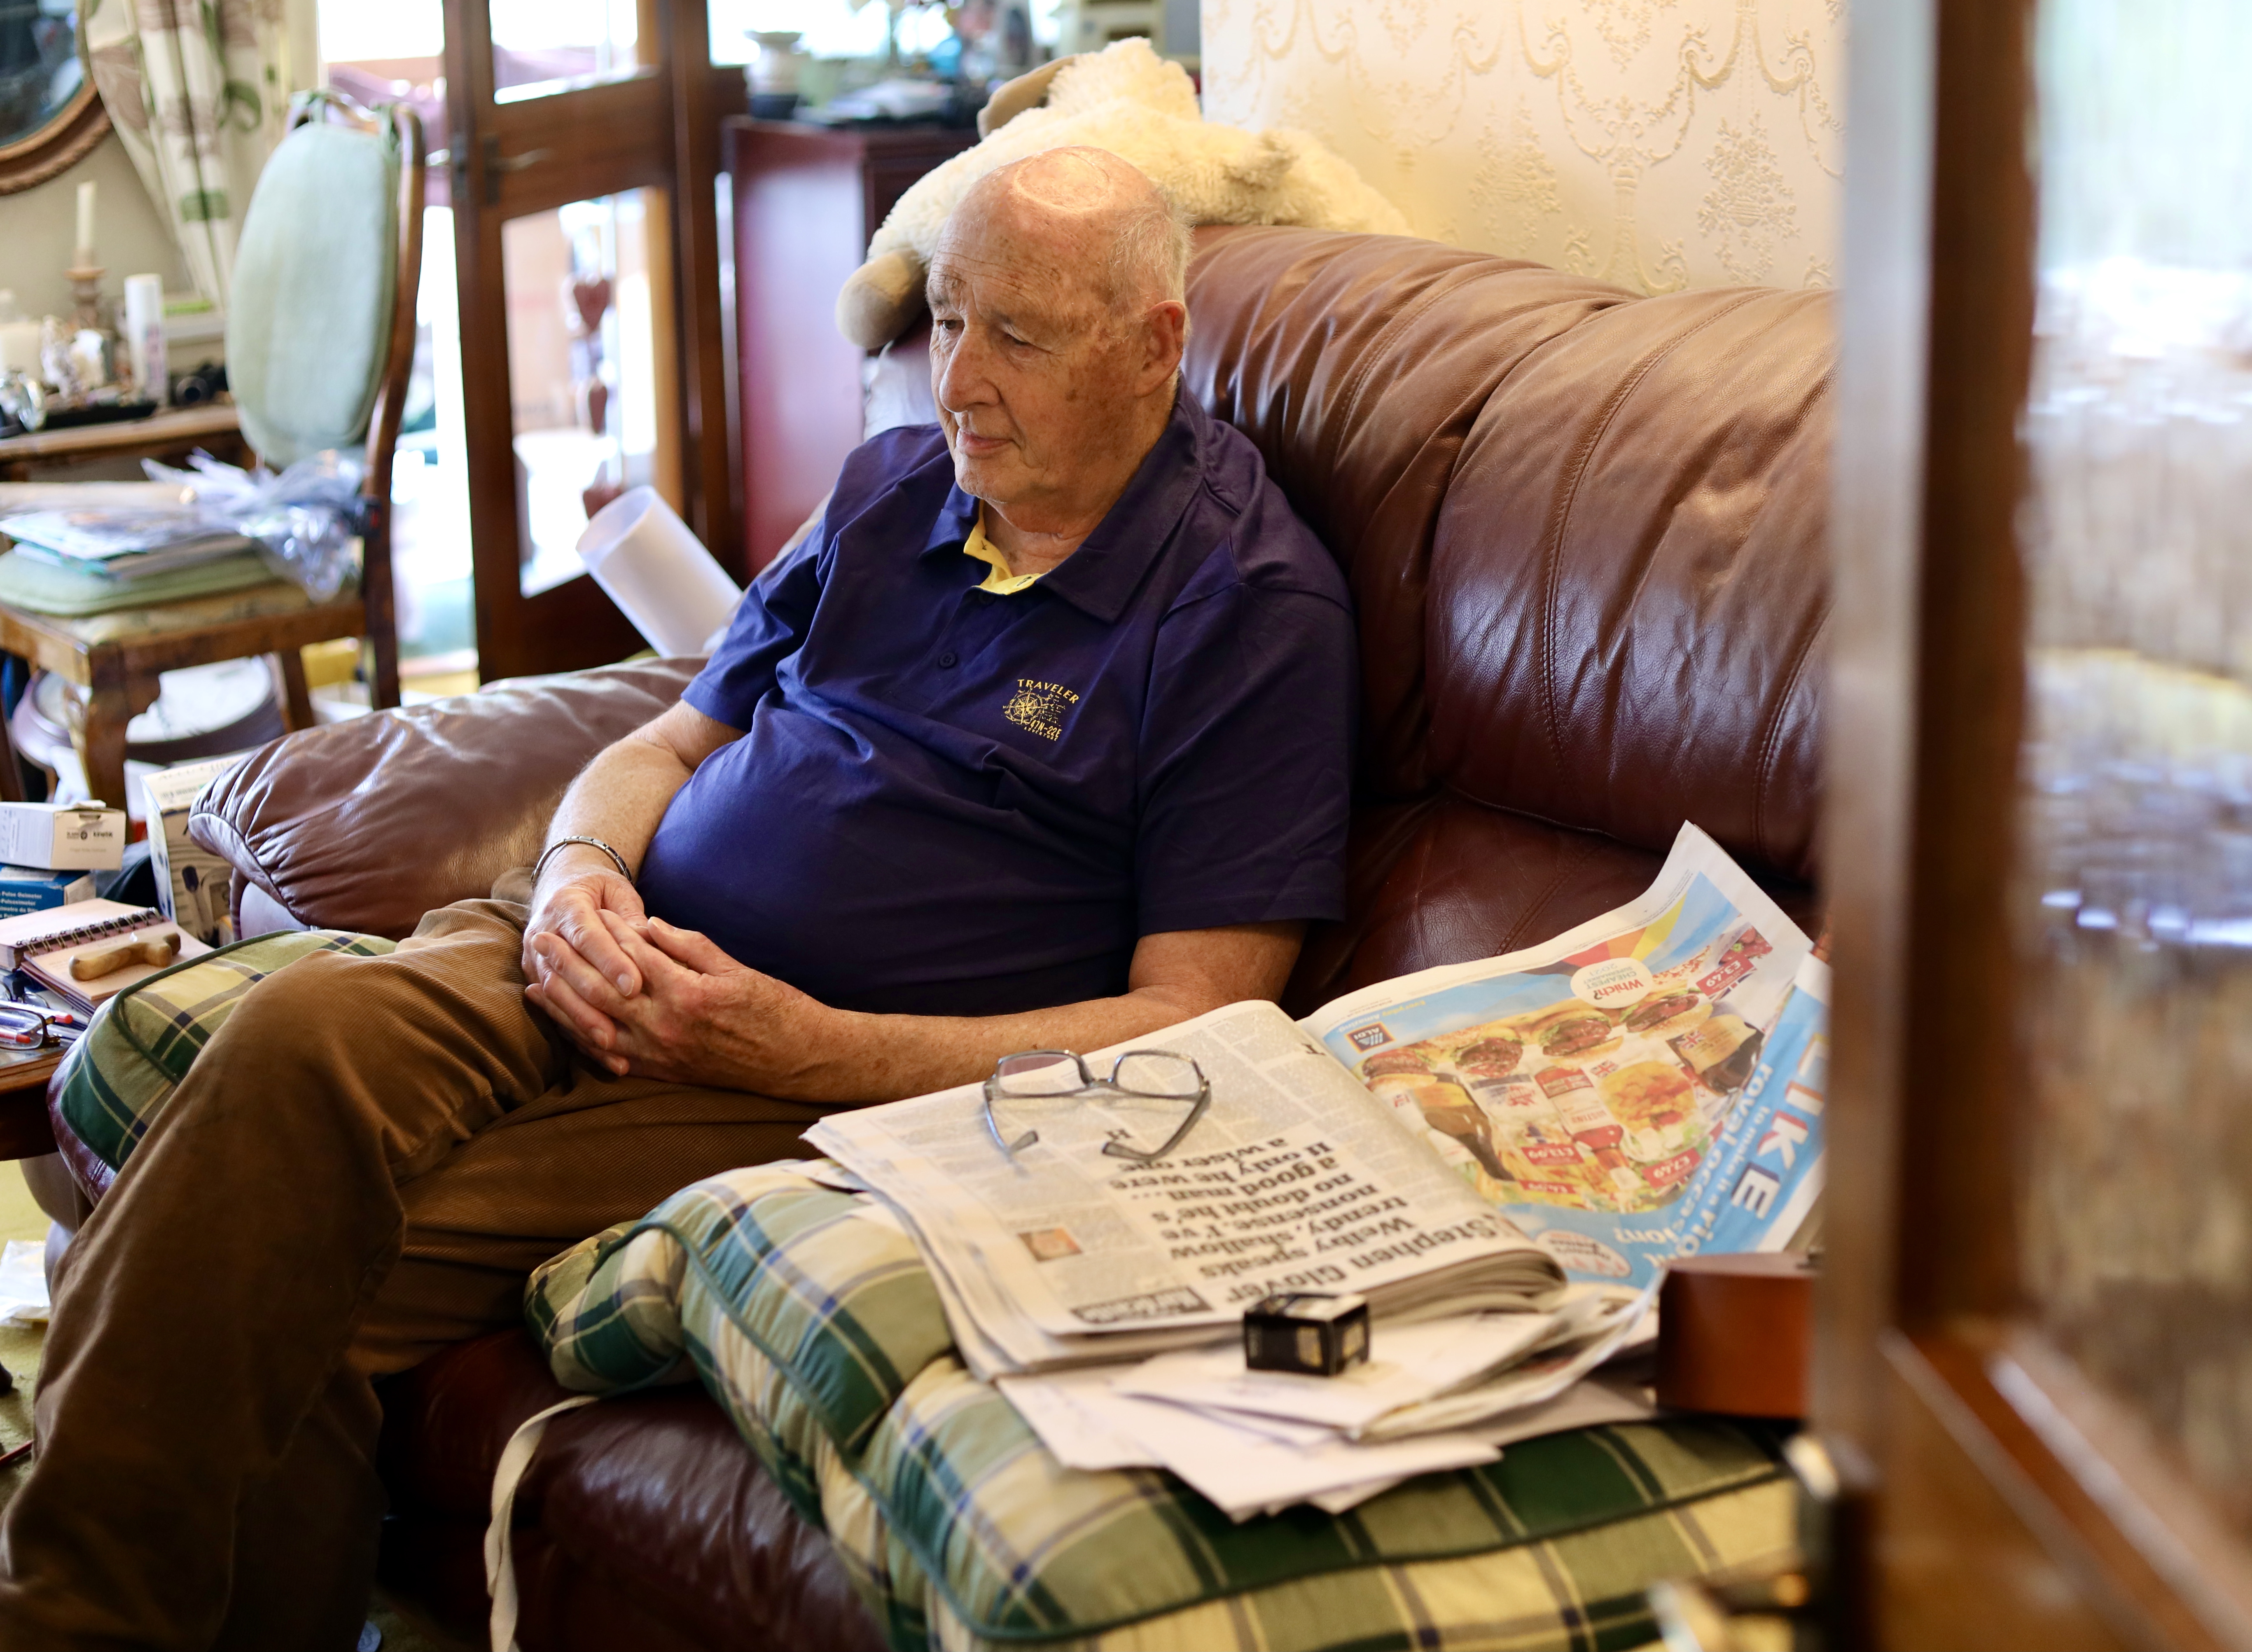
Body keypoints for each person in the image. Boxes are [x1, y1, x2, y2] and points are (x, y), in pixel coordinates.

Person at [0, 146, 1356, 1651]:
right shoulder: (897, 483)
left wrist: (800, 1047)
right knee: (290, 1038)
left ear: (1155, 344)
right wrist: (579, 871)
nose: (957, 377)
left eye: (1016, 338)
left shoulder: (1246, 606)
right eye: (948, 318)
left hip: (802, 1069)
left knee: (283, 1243)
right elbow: (662, 739)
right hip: (592, 929)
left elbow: (1203, 1017)